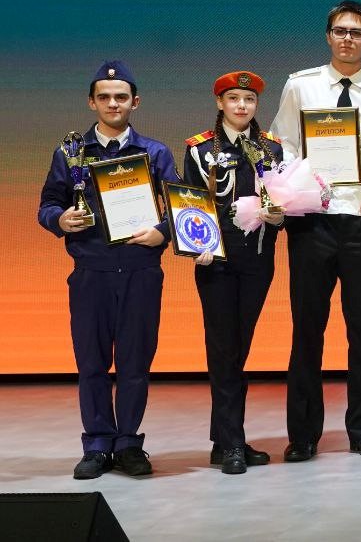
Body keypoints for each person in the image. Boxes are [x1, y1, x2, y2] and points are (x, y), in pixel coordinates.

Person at [269, 0, 361, 462]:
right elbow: (284, 145)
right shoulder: (301, 86)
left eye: (357, 32)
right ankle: (303, 433)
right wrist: (295, 191)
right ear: (328, 36)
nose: (348, 39)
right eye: (340, 31)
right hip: (312, 221)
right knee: (307, 328)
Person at [38, 60, 178, 479]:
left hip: (141, 272)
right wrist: (61, 219)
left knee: (135, 363)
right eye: (104, 97)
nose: (113, 103)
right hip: (91, 274)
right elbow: (48, 205)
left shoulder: (155, 153)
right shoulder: (70, 153)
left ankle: (129, 443)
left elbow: (180, 207)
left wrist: (161, 232)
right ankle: (98, 444)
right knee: (92, 364)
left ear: (135, 102)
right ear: (92, 102)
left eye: (121, 97)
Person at [181, 70, 285, 474]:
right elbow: (191, 202)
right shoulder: (199, 149)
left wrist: (280, 216)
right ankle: (233, 443)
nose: (242, 106)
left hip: (258, 259)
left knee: (239, 348)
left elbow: (284, 201)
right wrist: (197, 245)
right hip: (217, 261)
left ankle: (223, 440)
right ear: (220, 103)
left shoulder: (272, 148)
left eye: (249, 99)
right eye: (234, 98)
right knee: (224, 349)